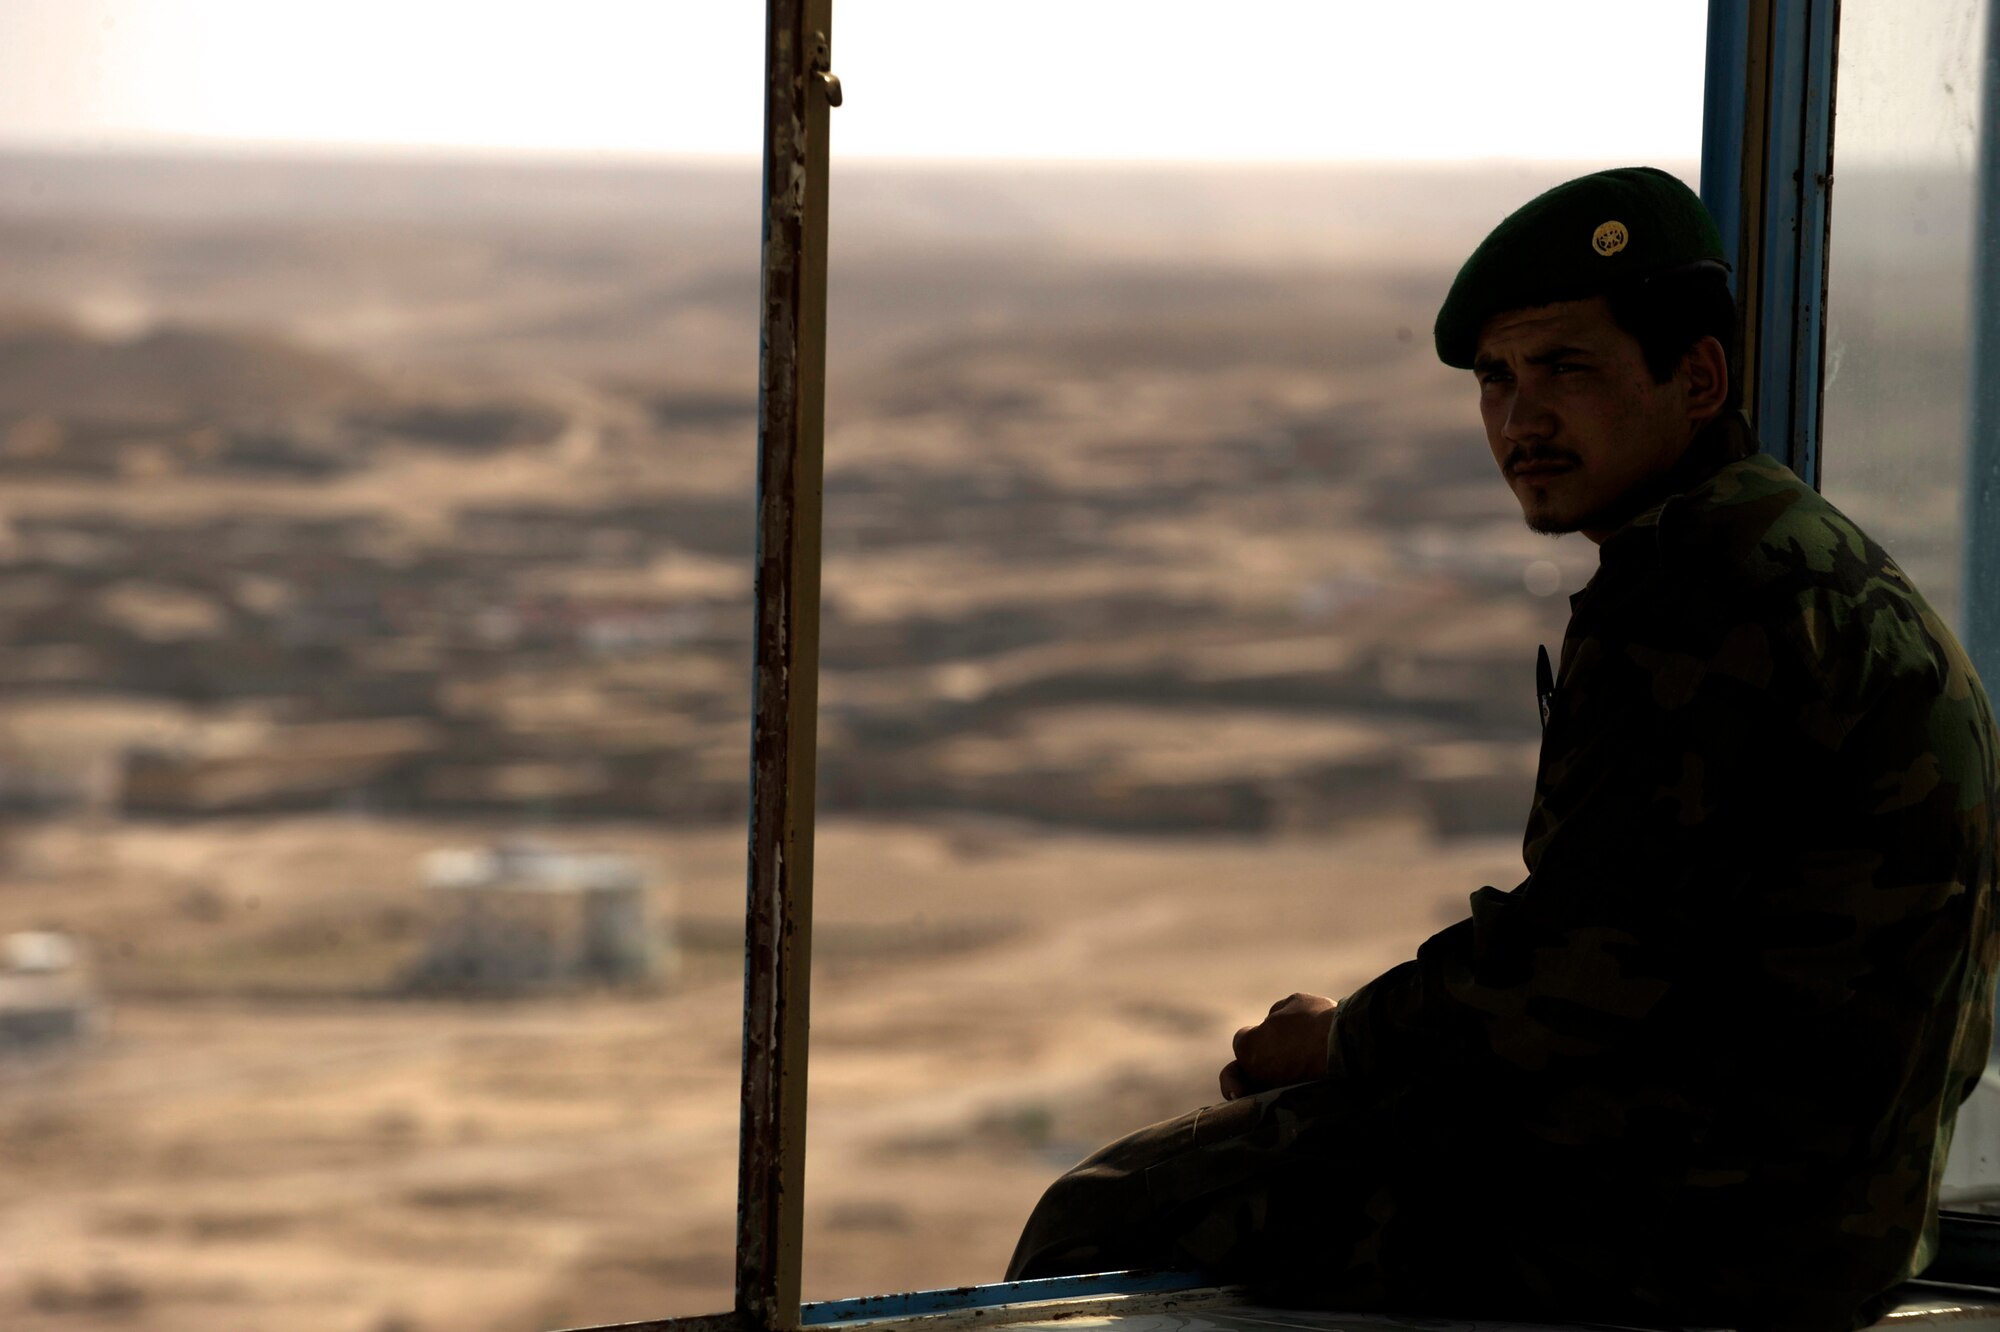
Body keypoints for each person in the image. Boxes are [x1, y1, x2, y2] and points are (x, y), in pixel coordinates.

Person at [1005, 167, 2000, 1332]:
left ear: (1696, 378)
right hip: (1830, 1204)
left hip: (1709, 1232)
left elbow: (1576, 975)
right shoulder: (1790, 549)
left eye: (1565, 370)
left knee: (1104, 1208)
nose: (1521, 421)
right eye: (1496, 380)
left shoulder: (1694, 596)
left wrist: (1341, 1041)